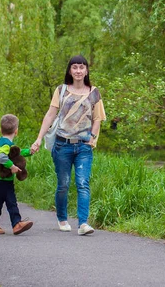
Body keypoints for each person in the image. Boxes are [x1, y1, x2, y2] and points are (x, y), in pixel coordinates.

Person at [31, 55, 106, 235]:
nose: (78, 71)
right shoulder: (61, 90)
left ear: (86, 70)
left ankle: (83, 224)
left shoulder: (94, 92)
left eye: (82, 67)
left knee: (82, 182)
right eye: (75, 67)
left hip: (83, 147)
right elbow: (50, 115)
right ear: (70, 71)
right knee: (63, 184)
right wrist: (39, 138)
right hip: (62, 145)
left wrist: (92, 138)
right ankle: (62, 218)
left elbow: (98, 119)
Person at [0, 114, 34, 235]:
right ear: (16, 131)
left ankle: (16, 224)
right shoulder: (5, 144)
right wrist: (12, 166)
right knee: (0, 203)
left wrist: (29, 151)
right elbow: (1, 156)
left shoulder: (5, 143)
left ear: (0, 130)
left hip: (2, 180)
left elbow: (15, 153)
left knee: (9, 201)